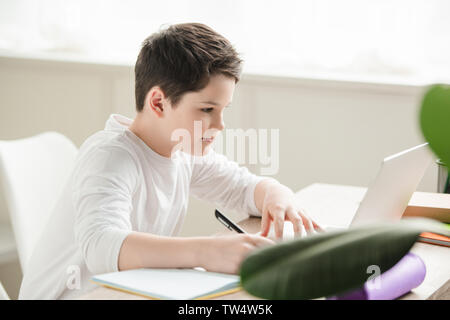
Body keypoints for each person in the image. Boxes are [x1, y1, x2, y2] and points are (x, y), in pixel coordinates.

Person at [19, 23, 321, 299]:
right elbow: (102, 246)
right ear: (158, 102)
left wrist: (278, 197)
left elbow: (243, 188)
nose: (220, 124)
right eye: (206, 109)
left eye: (223, 109)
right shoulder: (110, 156)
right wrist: (206, 251)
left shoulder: (183, 151)